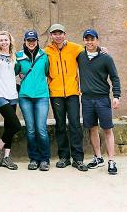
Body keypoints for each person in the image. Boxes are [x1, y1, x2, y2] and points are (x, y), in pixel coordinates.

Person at [77, 29, 121, 175]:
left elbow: (114, 77)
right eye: (87, 39)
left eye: (92, 39)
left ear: (97, 40)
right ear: (84, 40)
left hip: (102, 98)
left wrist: (116, 95)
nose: (89, 42)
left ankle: (111, 161)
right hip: (87, 99)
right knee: (92, 128)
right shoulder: (80, 56)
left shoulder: (106, 58)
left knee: (107, 129)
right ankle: (98, 157)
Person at [45, 23, 88, 171]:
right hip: (55, 94)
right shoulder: (46, 52)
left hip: (72, 93)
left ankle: (78, 159)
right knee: (60, 125)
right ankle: (64, 157)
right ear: (51, 36)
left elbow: (90, 50)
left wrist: (102, 49)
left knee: (75, 125)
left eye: (60, 33)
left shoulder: (75, 48)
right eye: (54, 33)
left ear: (65, 34)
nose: (58, 36)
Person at [16, 30, 51, 171]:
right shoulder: (18, 56)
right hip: (25, 97)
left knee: (41, 129)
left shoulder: (44, 56)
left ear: (37, 41)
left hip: (42, 96)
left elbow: (47, 71)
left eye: (34, 40)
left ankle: (44, 159)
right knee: (30, 130)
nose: (31, 43)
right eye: (29, 40)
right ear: (24, 41)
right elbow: (13, 70)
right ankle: (34, 158)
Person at [0, 31, 22, 170]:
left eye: (6, 40)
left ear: (10, 41)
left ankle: (6, 157)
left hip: (12, 94)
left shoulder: (15, 55)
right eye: (1, 40)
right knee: (16, 125)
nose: (4, 42)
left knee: (9, 126)